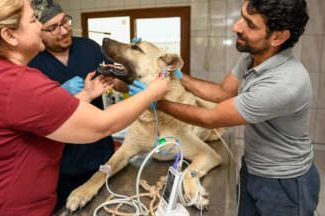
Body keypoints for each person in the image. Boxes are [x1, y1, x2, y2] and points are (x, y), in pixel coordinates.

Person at [0, 0, 168, 215]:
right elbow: (103, 125)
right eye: (33, 20)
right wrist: (152, 92)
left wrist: (85, 94)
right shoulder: (15, 83)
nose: (40, 26)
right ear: (9, 35)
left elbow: (37, 117)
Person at [132, 0, 320, 215]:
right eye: (241, 16)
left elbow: (211, 117)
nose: (236, 27)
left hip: (285, 181)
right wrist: (176, 74)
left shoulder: (284, 83)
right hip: (253, 167)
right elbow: (221, 92)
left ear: (278, 37)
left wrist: (154, 101)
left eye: (249, 24)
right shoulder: (252, 58)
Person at [27, 0, 129, 211]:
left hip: (102, 159)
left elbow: (118, 84)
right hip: (61, 170)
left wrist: (122, 81)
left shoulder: (89, 48)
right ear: (38, 30)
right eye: (53, 28)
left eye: (65, 22)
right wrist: (58, 95)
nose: (64, 31)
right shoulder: (32, 63)